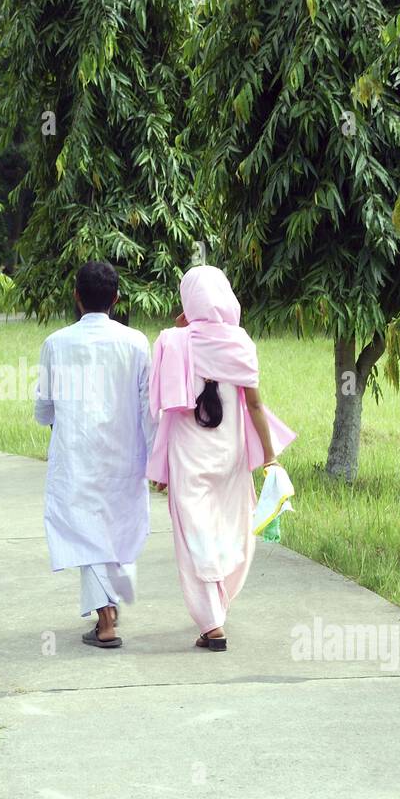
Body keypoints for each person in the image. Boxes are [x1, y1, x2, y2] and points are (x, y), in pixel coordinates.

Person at [147, 265, 291, 652]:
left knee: (194, 535)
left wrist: (160, 467)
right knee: (232, 528)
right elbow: (257, 406)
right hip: (230, 456)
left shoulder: (173, 342)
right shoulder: (241, 344)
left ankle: (212, 621)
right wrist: (271, 459)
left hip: (188, 457)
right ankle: (217, 607)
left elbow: (164, 410)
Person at [34, 261, 154, 648]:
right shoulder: (137, 342)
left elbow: (44, 409)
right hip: (126, 452)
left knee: (87, 530)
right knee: (119, 527)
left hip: (77, 453)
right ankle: (110, 608)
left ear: (76, 297)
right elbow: (148, 405)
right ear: (117, 298)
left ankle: (105, 621)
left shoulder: (56, 343)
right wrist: (155, 456)